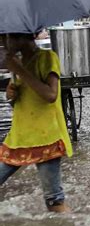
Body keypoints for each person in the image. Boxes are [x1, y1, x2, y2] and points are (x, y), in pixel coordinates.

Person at [0, 33, 73, 213]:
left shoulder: (47, 58)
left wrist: (19, 70)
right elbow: (22, 100)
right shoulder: (19, 63)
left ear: (20, 37)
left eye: (5, 39)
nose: (3, 44)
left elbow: (50, 95)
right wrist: (10, 95)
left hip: (46, 138)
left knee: (54, 202)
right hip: (19, 138)